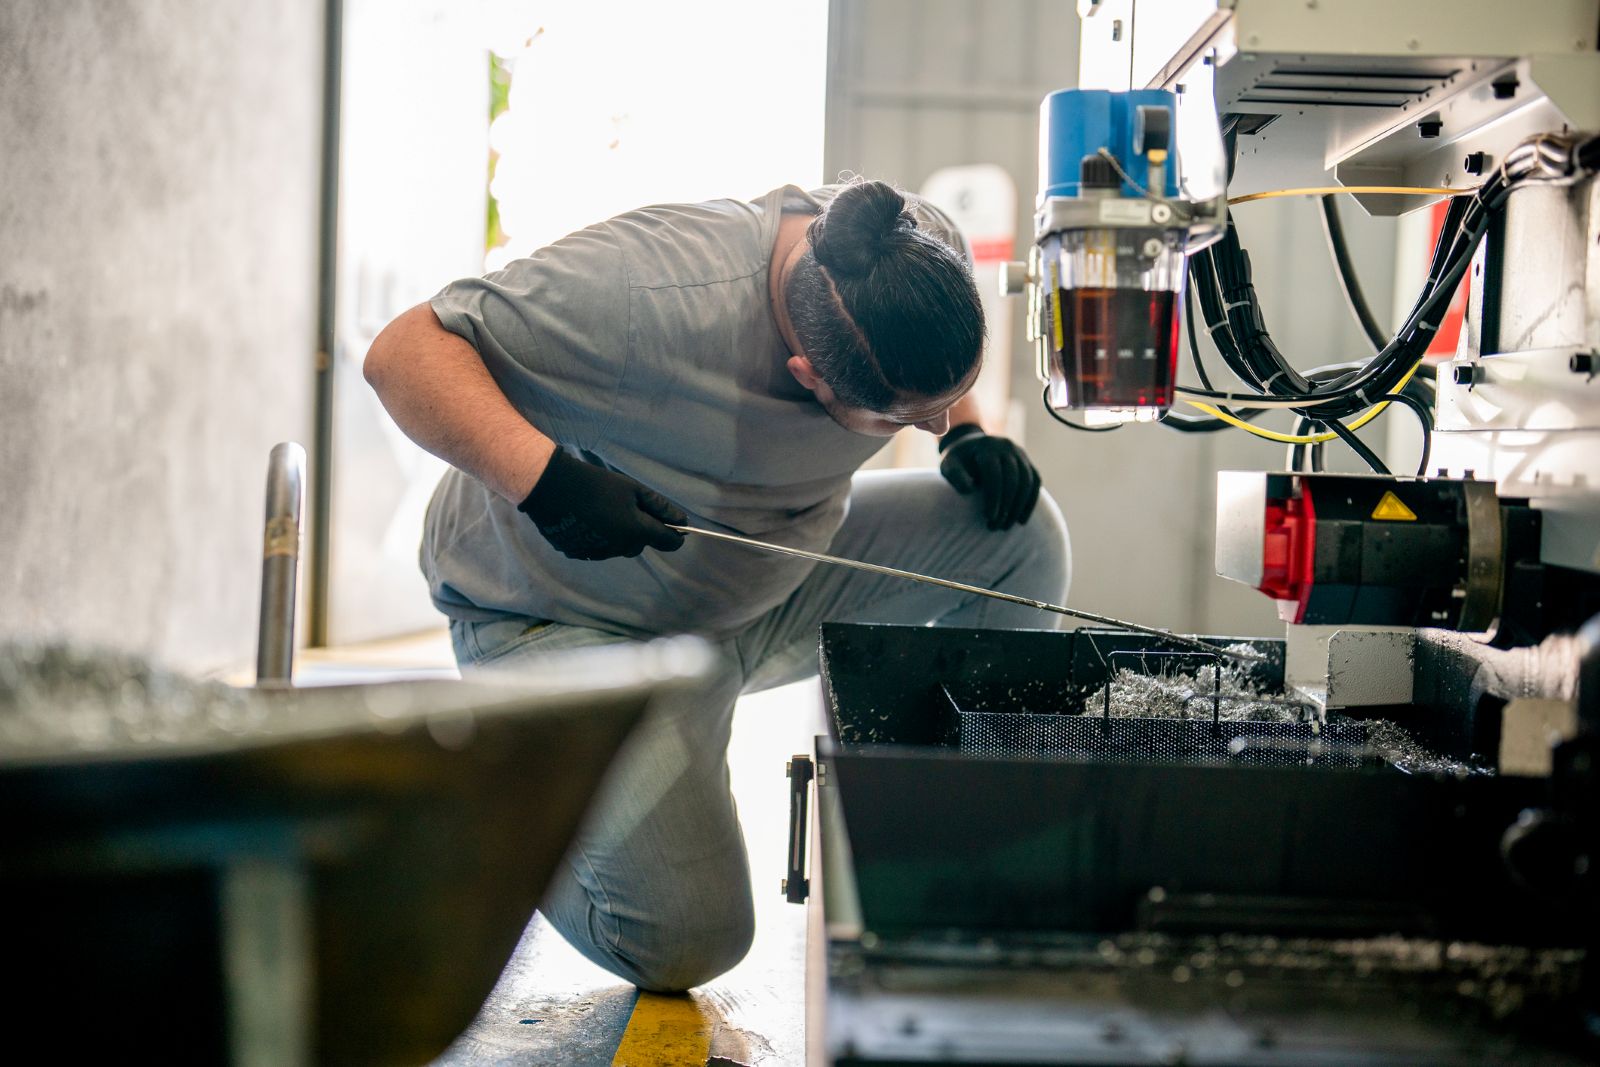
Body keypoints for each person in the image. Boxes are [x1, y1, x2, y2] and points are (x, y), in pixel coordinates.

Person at [364, 179, 1070, 991]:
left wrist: (969, 431)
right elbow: (402, 351)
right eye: (910, 420)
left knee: (1021, 535)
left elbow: (926, 373)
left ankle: (933, 846)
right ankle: (516, 787)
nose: (935, 423)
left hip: (764, 591)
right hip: (571, 622)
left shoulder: (903, 243)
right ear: (810, 377)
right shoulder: (642, 293)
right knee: (688, 940)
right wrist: (545, 481)